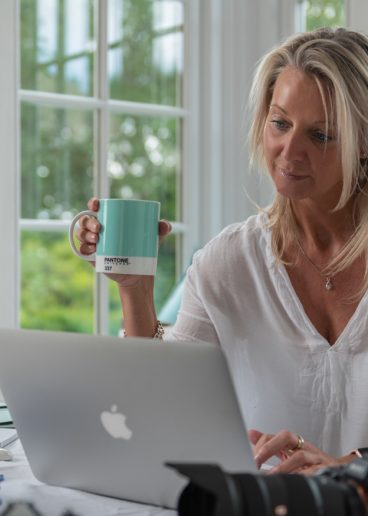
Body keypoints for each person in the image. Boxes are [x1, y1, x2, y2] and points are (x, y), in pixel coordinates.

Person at [75, 27, 368, 476]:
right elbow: (161, 408)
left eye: (321, 135)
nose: (289, 152)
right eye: (280, 123)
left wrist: (349, 469)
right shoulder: (230, 261)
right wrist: (135, 290)